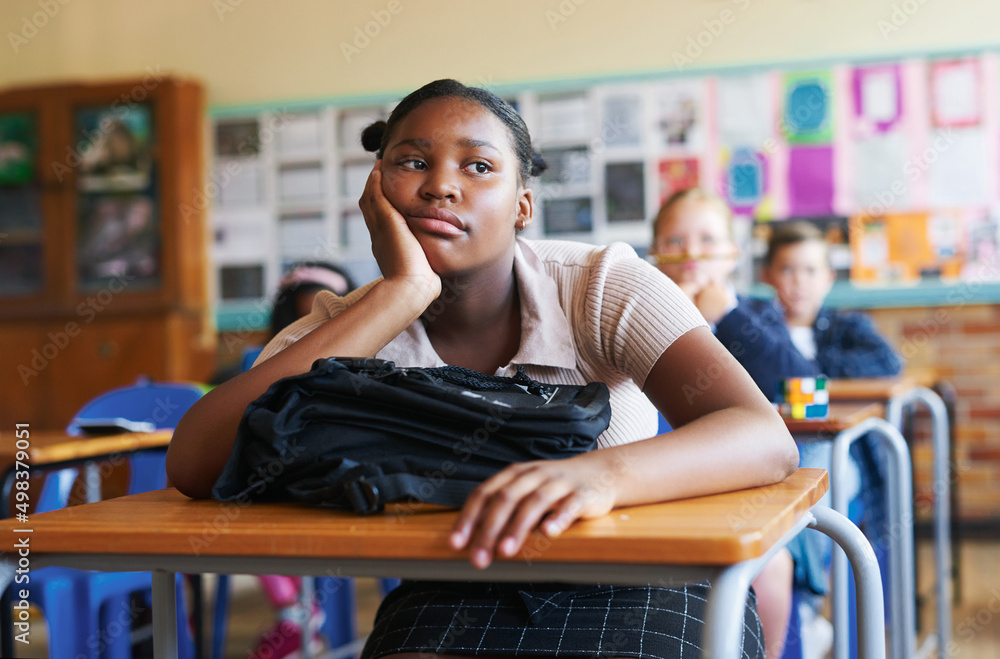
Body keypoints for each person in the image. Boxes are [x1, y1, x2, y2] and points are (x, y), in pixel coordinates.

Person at [167, 79, 798, 659]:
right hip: (457, 585)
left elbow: (762, 435)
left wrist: (598, 476)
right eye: (412, 161)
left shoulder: (604, 285)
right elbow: (195, 464)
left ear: (522, 207)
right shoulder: (350, 325)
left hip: (645, 575)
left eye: (478, 166)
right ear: (376, 190)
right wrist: (403, 293)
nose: (442, 185)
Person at [650, 189, 793, 659]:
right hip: (658, 482)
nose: (692, 254)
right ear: (654, 253)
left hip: (740, 482)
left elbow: (797, 381)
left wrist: (727, 318)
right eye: (675, 240)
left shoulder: (755, 312)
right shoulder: (636, 312)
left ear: (732, 254)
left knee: (773, 566)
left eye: (708, 240)